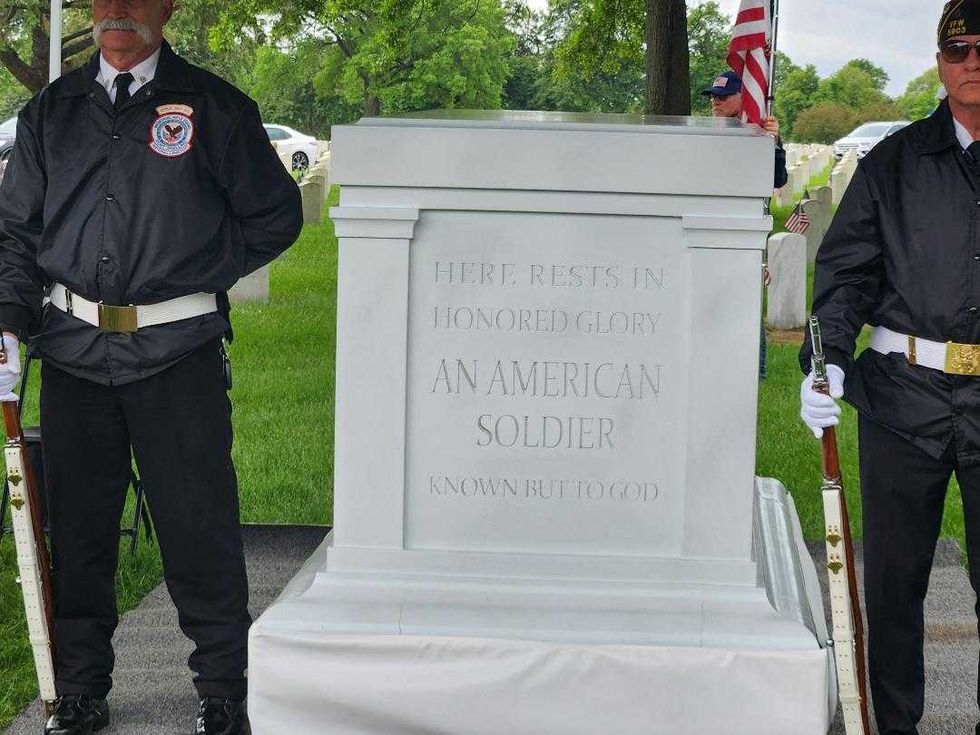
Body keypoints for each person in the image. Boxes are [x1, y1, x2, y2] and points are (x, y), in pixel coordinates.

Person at [0, 0, 303, 733]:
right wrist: (7, 325)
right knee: (78, 533)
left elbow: (275, 215)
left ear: (167, 8)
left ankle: (224, 689)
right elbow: (14, 232)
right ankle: (80, 691)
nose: (118, 12)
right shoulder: (51, 112)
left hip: (178, 355)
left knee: (199, 529)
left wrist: (200, 268)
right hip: (73, 356)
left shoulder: (217, 108)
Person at [799, 2, 980, 733]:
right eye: (959, 48)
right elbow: (846, 277)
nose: (973, 62)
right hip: (904, 398)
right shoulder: (893, 163)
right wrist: (827, 361)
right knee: (896, 588)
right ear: (939, 61)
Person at [703, 70, 786, 379]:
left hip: (742, 234)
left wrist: (773, 143)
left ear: (744, 98)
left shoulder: (757, 137)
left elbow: (776, 179)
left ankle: (753, 373)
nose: (715, 102)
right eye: (713, 96)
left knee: (746, 305)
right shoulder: (706, 135)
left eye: (723, 96)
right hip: (708, 230)